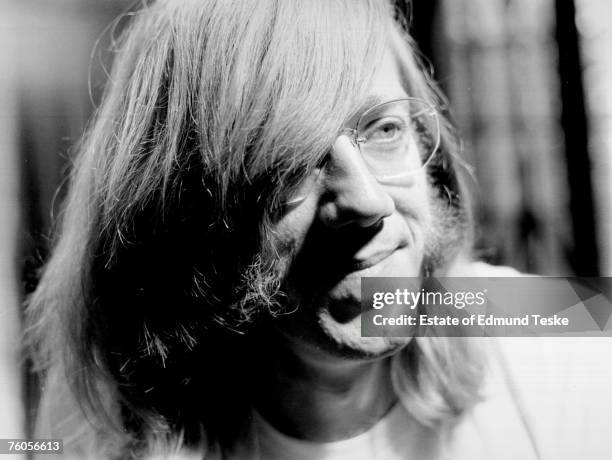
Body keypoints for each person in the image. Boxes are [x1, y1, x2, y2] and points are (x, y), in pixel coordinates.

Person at [25, 1, 611, 459]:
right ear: (186, 219)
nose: (365, 201)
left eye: (383, 131)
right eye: (286, 167)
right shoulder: (103, 416)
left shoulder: (555, 320)